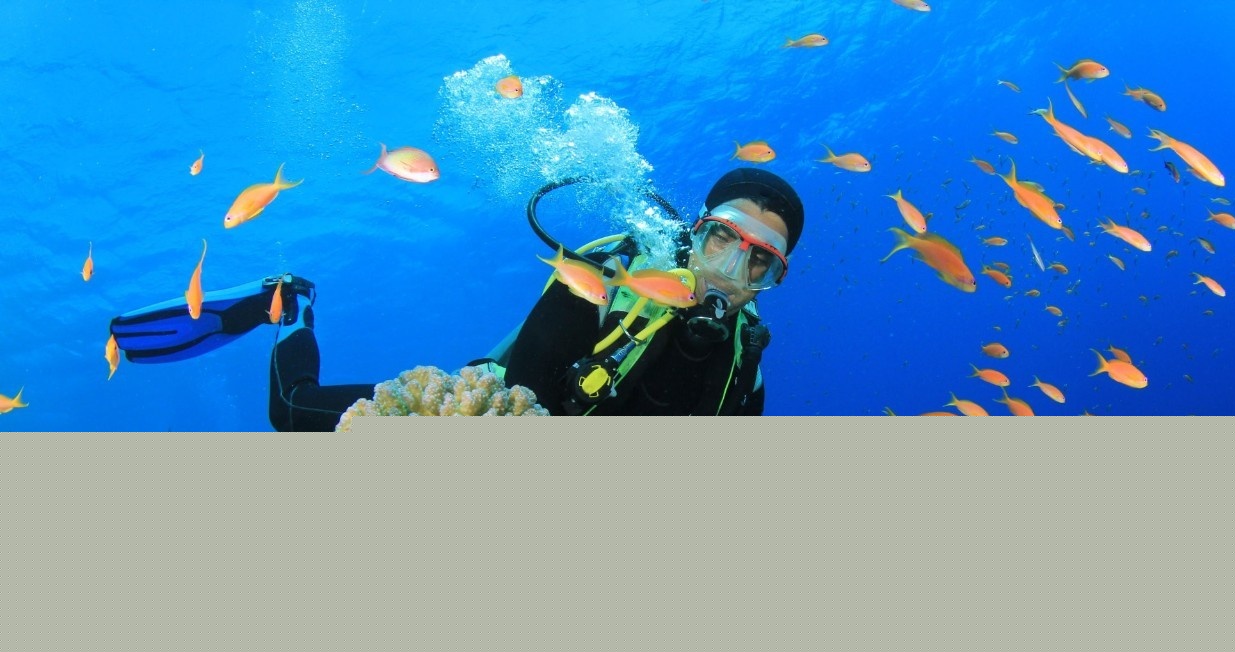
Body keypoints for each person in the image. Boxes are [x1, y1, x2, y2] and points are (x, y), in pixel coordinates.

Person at [109, 168, 804, 428]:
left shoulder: (745, 363)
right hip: (478, 406)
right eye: (722, 239)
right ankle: (290, 303)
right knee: (290, 411)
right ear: (694, 232)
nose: (731, 271)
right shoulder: (615, 271)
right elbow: (524, 388)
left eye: (759, 263)